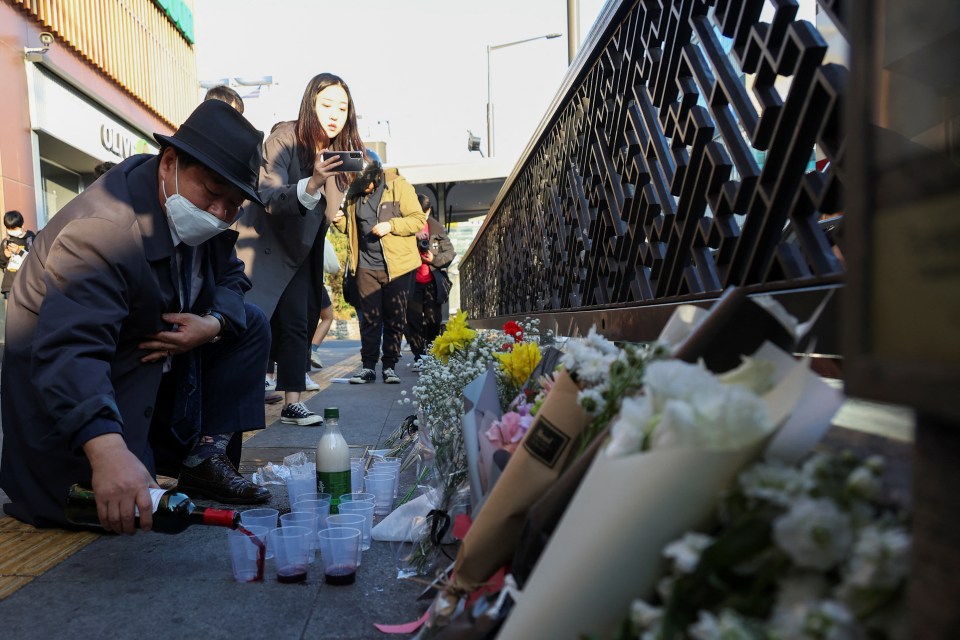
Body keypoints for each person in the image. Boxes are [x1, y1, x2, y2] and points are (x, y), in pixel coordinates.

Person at [0, 100, 272, 532]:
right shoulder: (105, 231)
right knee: (124, 504)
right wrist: (107, 449)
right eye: (212, 193)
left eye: (234, 204)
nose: (220, 213)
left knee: (249, 322)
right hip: (73, 412)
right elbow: (71, 350)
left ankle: (203, 457)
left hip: (145, 374)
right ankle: (113, 455)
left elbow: (233, 278)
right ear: (169, 163)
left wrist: (212, 324)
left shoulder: (188, 212)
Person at [235, 73, 359, 424]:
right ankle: (238, 403)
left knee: (297, 324)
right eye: (327, 105)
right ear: (310, 104)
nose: (335, 114)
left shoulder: (334, 153)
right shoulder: (284, 139)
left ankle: (292, 401)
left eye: (343, 107)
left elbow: (326, 212)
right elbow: (270, 194)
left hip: (303, 251)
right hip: (265, 245)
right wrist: (315, 180)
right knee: (252, 323)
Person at [332, 152, 426, 384]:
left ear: (376, 177)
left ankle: (390, 366)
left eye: (366, 185)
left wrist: (390, 225)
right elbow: (350, 228)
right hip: (365, 264)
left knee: (395, 317)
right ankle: (368, 367)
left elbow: (417, 219)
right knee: (370, 319)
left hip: (398, 266)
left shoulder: (399, 186)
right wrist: (339, 219)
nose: (363, 190)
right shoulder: (354, 194)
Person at [404, 194, 456, 369]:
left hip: (432, 282)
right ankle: (419, 356)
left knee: (434, 320)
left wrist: (433, 258)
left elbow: (449, 254)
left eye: (422, 214)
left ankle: (432, 353)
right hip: (411, 281)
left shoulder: (437, 229)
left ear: (428, 212)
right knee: (413, 321)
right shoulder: (404, 228)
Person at [0, 210, 36, 300]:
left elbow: (34, 261)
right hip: (9, 285)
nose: (11, 231)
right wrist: (5, 256)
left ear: (22, 225)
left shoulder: (30, 239)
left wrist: (19, 251)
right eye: (9, 228)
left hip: (26, 283)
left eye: (14, 228)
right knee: (12, 313)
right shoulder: (5, 241)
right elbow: (2, 264)